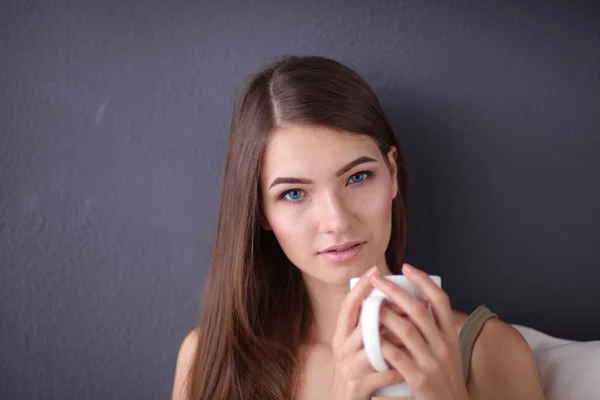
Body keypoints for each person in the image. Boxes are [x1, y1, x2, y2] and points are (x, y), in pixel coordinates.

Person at [172, 55, 545, 400]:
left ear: (392, 173)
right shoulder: (209, 359)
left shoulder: (489, 352)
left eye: (358, 177)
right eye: (294, 193)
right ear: (261, 213)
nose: (337, 220)